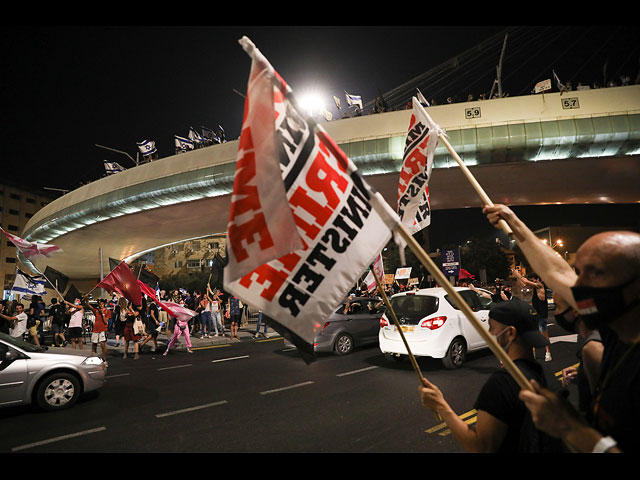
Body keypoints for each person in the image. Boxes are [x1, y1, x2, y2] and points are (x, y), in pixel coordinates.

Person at [484, 204, 640, 452]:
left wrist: (570, 428)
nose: (580, 285)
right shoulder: (614, 321)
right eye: (580, 271)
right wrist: (514, 223)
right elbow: (557, 270)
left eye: (595, 273)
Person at [419, 298, 564, 452]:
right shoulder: (546, 375)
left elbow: (481, 446)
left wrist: (441, 406)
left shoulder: (502, 384)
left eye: (492, 328)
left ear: (510, 333)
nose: (489, 333)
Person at [554, 291, 603, 418]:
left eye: (558, 307)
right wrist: (581, 374)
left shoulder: (592, 348)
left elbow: (601, 405)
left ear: (576, 310)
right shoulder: (597, 338)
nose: (556, 313)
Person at [514, 269, 552, 361]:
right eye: (531, 279)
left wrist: (518, 275)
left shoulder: (540, 285)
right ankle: (532, 354)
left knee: (544, 334)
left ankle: (548, 353)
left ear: (537, 279)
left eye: (533, 279)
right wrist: (517, 277)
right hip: (535, 314)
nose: (531, 281)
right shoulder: (534, 288)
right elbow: (524, 284)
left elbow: (526, 282)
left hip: (541, 315)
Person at [85, 297, 109, 367]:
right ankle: (94, 359)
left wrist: (103, 314)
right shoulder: (96, 310)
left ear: (104, 304)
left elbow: (105, 321)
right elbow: (88, 305)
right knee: (94, 344)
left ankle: (105, 360)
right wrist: (86, 299)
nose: (101, 305)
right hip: (95, 329)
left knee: (102, 344)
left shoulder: (107, 311)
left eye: (102, 304)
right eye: (100, 304)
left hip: (102, 329)